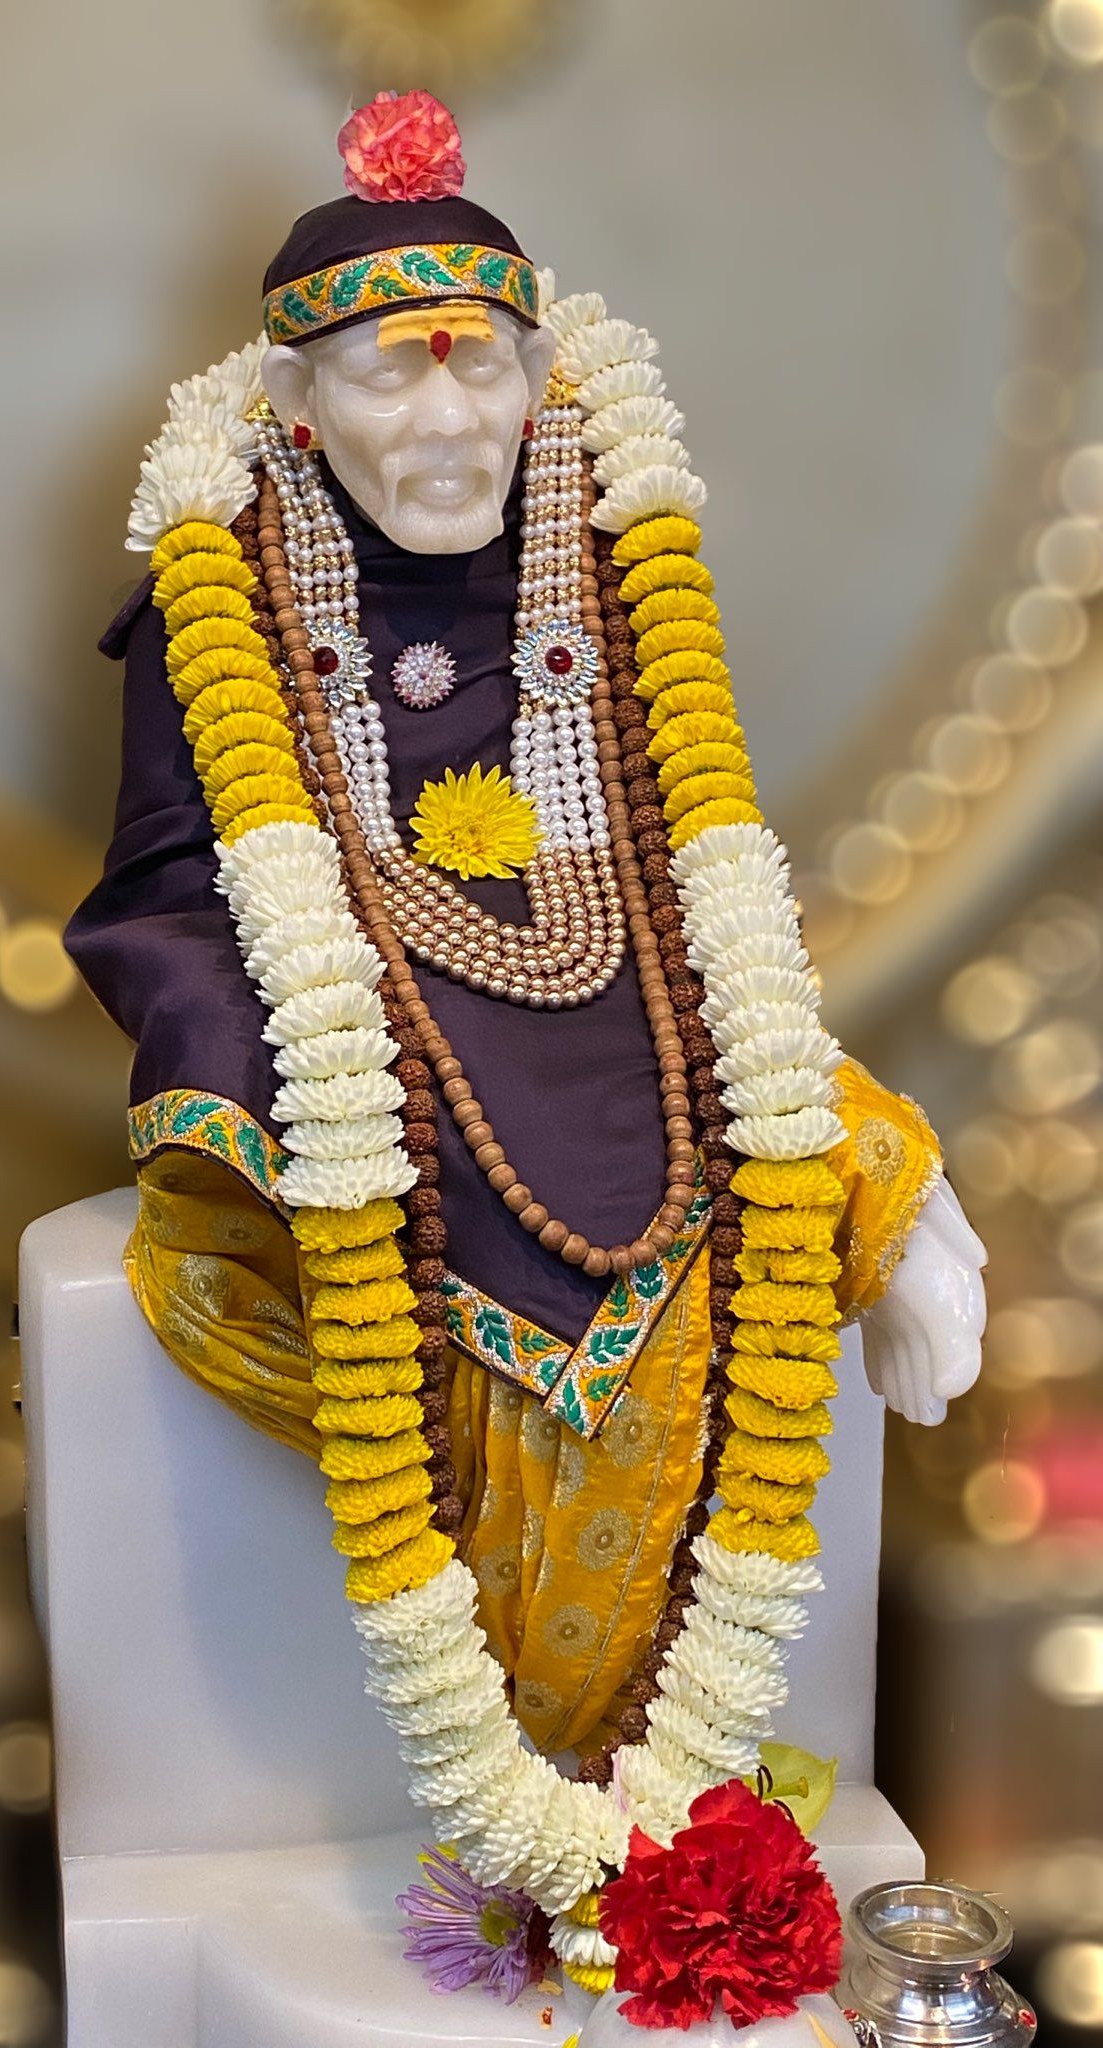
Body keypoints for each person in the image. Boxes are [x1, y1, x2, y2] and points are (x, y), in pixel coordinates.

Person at [66, 89, 983, 1793]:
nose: (446, 420)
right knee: (400, 1179)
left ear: (545, 371)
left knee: (788, 1150)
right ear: (294, 401)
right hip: (355, 1009)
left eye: (480, 363)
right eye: (390, 372)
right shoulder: (222, 591)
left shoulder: (609, 555)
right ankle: (533, 1764)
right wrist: (305, 1060)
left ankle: (671, 1747)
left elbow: (692, 858)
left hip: (611, 977)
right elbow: (163, 893)